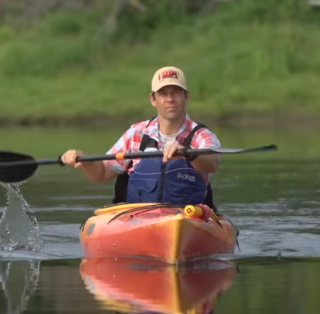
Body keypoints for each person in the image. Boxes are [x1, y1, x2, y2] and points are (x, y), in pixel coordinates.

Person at [60, 66, 222, 210]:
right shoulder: (136, 133)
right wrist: (85, 162)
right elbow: (101, 173)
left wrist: (188, 152)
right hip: (137, 219)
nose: (170, 99)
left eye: (176, 93)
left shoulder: (201, 135)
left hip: (188, 218)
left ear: (186, 97)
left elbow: (212, 163)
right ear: (153, 99)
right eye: (163, 93)